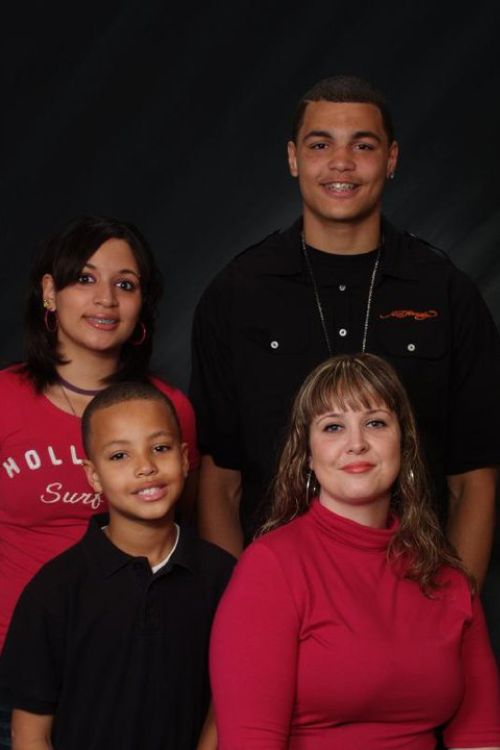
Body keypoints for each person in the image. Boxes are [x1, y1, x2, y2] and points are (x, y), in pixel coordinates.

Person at [190, 75, 500, 587]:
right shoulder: (237, 294)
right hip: (280, 594)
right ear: (293, 158)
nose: (341, 163)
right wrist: (240, 605)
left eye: (363, 145)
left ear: (392, 158)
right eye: (320, 145)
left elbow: (475, 480)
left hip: (414, 589)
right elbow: (219, 484)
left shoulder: (446, 292)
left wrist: (454, 612)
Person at [210, 353, 500, 749]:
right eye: (333, 427)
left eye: (375, 423)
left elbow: (480, 739)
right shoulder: (271, 567)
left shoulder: (447, 577)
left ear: (404, 441)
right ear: (308, 456)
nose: (357, 443)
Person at [0, 215, 199, 747]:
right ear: (49, 291)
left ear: (142, 308)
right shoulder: (4, 399)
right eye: (84, 279)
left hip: (132, 668)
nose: (105, 299)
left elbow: (188, 540)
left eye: (125, 284)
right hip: (13, 676)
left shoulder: (170, 410)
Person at [0, 381, 234, 750]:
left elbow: (225, 708)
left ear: (185, 457)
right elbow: (30, 732)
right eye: (119, 456)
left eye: (160, 448)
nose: (145, 467)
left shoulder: (224, 578)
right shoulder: (56, 588)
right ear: (93, 475)